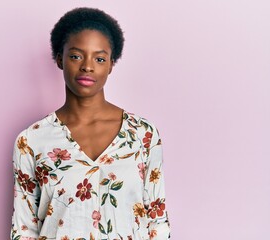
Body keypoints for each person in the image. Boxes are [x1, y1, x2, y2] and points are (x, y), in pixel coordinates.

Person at [10, 7, 170, 240]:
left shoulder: (142, 135)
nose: (87, 66)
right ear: (59, 59)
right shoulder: (31, 140)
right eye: (76, 55)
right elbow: (24, 230)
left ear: (111, 64)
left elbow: (157, 221)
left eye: (100, 58)